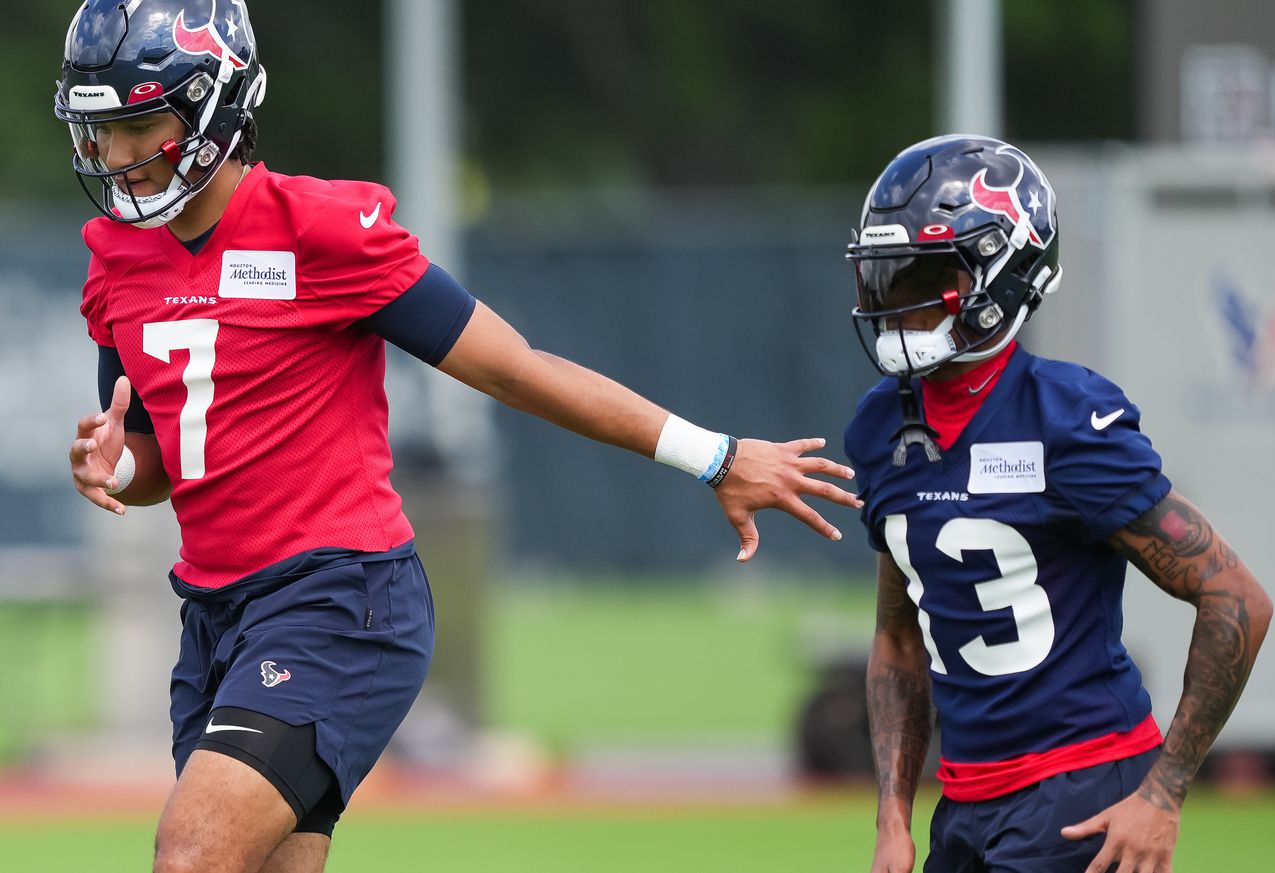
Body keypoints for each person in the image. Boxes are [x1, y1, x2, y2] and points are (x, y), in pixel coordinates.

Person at [54, 2, 861, 871]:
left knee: (192, 853)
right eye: (101, 131)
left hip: (338, 601)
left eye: (139, 124)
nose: (117, 156)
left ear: (215, 109)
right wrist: (117, 464)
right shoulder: (117, 255)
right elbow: (156, 465)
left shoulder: (319, 227)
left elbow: (515, 367)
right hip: (216, 615)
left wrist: (712, 455)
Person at [842, 134, 1273, 873]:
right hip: (964, 803)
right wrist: (891, 813)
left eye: (928, 275)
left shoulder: (1066, 419)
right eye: (888, 276)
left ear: (1006, 273)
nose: (899, 301)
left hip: (1081, 795)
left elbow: (1237, 597)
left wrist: (1162, 793)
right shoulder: (883, 427)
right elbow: (900, 632)